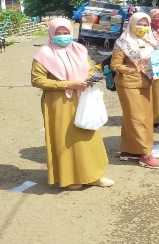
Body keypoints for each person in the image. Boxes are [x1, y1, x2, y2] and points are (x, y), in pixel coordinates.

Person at [31, 18, 113, 189]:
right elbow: (37, 80)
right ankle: (71, 177)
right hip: (58, 102)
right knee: (65, 139)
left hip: (82, 97)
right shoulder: (43, 54)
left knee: (87, 134)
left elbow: (89, 68)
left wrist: (90, 78)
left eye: (66, 33)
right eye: (58, 34)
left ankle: (93, 176)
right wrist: (67, 84)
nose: (63, 37)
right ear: (51, 34)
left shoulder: (80, 50)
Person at [111, 12, 159, 169]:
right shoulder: (123, 42)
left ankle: (129, 150)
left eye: (145, 24)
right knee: (136, 118)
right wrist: (133, 69)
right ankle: (144, 154)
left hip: (146, 83)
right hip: (128, 84)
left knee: (145, 118)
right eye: (139, 24)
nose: (142, 27)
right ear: (131, 24)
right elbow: (115, 65)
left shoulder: (150, 41)